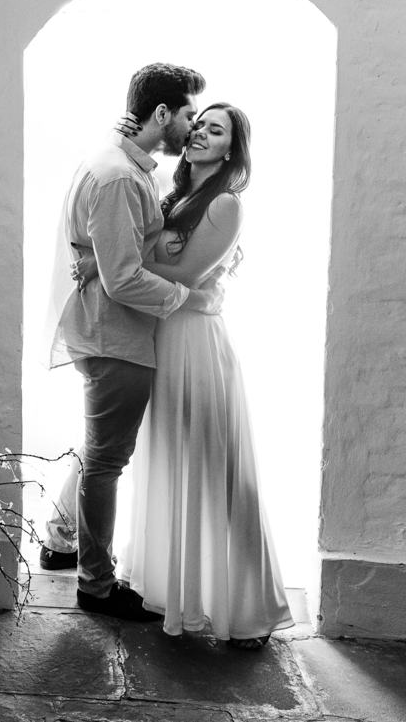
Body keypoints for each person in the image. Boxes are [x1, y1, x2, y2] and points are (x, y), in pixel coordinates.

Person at [73, 102, 294, 649]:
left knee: (218, 469)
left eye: (214, 129)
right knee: (161, 463)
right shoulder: (168, 194)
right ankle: (171, 586)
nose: (200, 134)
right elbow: (143, 252)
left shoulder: (224, 205)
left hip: (194, 347)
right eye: (198, 126)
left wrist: (106, 265)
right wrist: (114, 256)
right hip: (157, 341)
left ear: (230, 149)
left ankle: (249, 607)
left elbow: (183, 275)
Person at [41, 63, 224, 622]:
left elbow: (111, 254)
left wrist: (97, 262)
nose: (193, 128)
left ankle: (61, 539)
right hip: (116, 335)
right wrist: (187, 299)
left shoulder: (124, 163)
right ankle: (96, 585)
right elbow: (123, 278)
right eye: (190, 115)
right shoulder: (120, 175)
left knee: (101, 447)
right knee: (107, 460)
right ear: (162, 114)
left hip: (110, 329)